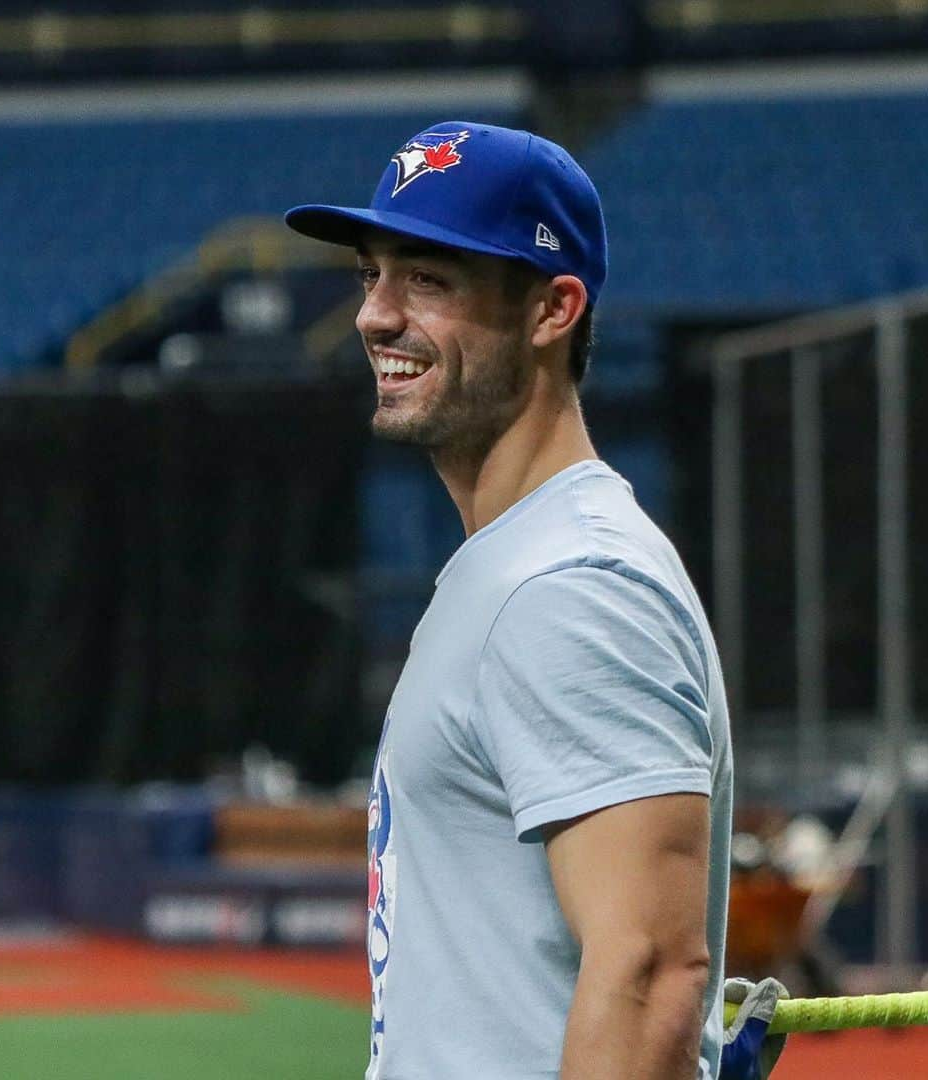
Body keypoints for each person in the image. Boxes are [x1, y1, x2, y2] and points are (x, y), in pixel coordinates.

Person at [286, 122, 737, 1079]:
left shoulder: (569, 589)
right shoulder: (519, 565)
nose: (375, 314)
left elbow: (652, 971)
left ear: (552, 309)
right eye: (371, 273)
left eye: (428, 279)